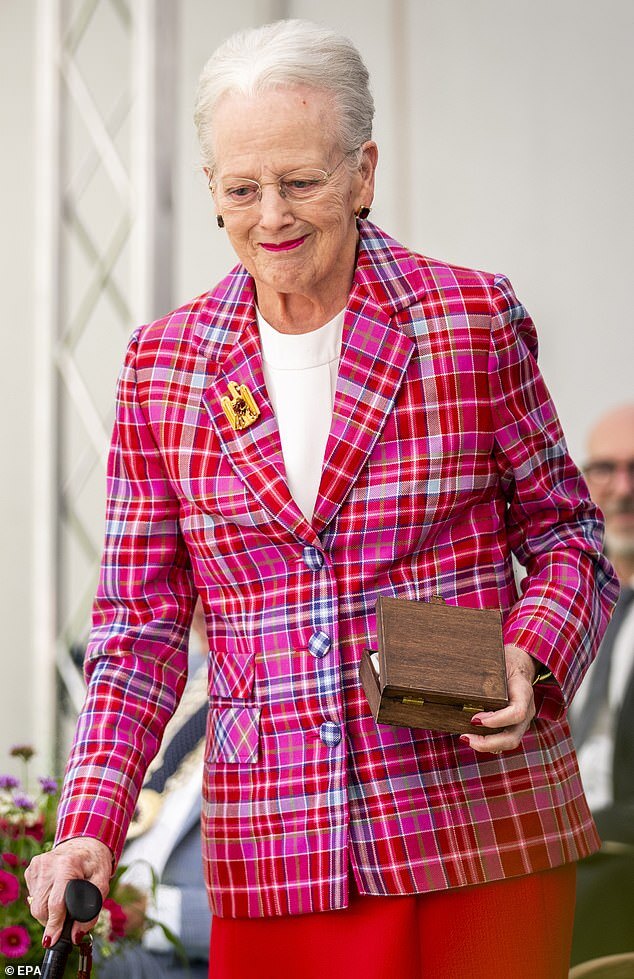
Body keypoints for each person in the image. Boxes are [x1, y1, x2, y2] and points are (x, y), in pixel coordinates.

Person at [26, 19, 618, 979]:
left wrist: (529, 653)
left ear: (362, 172)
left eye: (300, 182)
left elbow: (570, 537)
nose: (272, 215)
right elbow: (137, 626)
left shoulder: (470, 319)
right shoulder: (162, 366)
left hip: (475, 824)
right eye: (240, 188)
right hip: (280, 847)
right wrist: (89, 823)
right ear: (212, 188)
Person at [569, 404, 634, 966]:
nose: (623, 489)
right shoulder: (553, 607)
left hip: (619, 852)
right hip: (550, 842)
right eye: (605, 470)